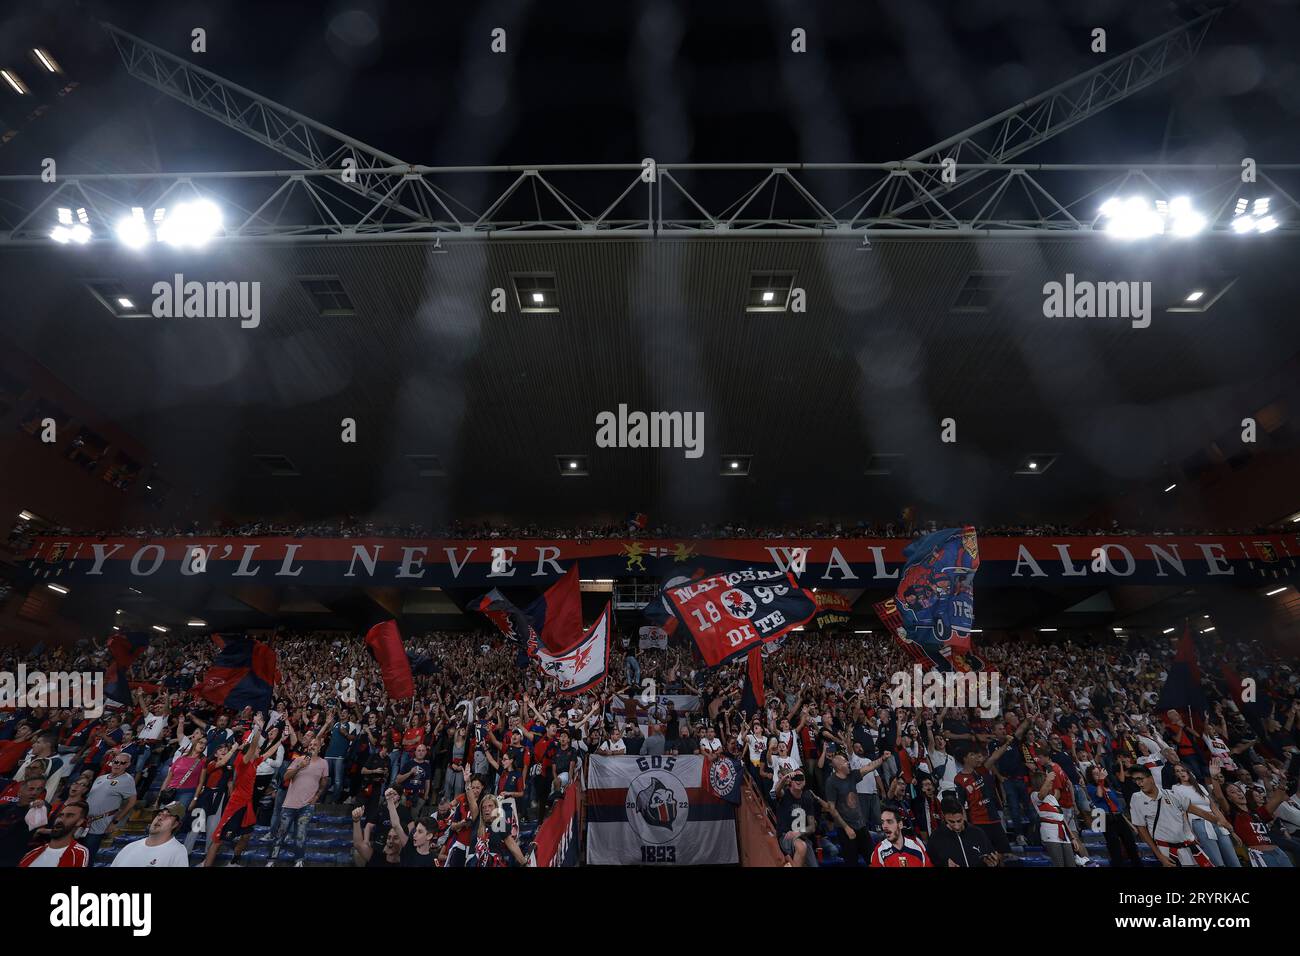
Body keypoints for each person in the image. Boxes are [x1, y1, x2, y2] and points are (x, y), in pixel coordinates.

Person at [1127, 765, 1219, 868]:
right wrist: (1159, 856)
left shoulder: (1170, 794)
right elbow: (1141, 829)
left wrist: (1219, 822)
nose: (1138, 783)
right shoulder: (1136, 798)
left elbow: (1192, 811)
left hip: (1190, 846)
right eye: (1135, 780)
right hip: (1168, 851)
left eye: (1140, 779)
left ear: (1151, 778)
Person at [203, 714, 265, 867]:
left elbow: (267, 751)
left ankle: (234, 860)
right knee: (218, 838)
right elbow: (252, 747)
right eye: (256, 748)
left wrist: (280, 738)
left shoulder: (254, 762)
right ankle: (206, 863)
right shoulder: (242, 761)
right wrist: (257, 729)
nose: (258, 749)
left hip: (246, 804)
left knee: (246, 834)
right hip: (236, 803)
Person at [266, 732, 329, 867]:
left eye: (315, 744)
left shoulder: (324, 763)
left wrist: (316, 797)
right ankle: (272, 860)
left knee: (300, 834)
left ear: (320, 747)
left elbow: (324, 783)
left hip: (306, 806)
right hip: (289, 804)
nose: (312, 746)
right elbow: (286, 777)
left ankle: (299, 860)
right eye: (310, 744)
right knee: (280, 834)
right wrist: (300, 766)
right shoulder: (299, 759)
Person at [823, 749, 886, 866]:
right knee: (851, 862)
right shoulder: (831, 782)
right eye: (846, 762)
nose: (848, 763)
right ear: (839, 767)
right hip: (845, 829)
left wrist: (882, 758)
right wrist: (846, 828)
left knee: (872, 858)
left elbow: (868, 767)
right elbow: (831, 808)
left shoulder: (852, 775)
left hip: (860, 825)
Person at [84, 751, 138, 864]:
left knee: (88, 855)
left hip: (100, 822)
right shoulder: (101, 778)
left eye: (122, 763)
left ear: (127, 765)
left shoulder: (127, 780)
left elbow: (132, 802)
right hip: (83, 821)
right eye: (116, 761)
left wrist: (115, 821)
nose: (118, 764)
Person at [1086, 765, 1143, 867]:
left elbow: (1118, 807)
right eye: (1095, 774)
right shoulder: (1090, 787)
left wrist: (1130, 824)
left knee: (1130, 844)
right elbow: (1099, 795)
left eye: (1099, 773)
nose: (1098, 775)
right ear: (1090, 777)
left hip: (1118, 816)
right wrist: (1101, 780)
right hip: (1103, 817)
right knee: (1114, 847)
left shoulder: (1108, 787)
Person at [926, 799, 1001, 868]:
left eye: (959, 821)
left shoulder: (978, 833)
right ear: (943, 816)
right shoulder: (936, 837)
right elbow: (929, 862)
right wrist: (944, 864)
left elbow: (991, 857)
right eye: (951, 822)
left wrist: (993, 863)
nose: (957, 826)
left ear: (963, 814)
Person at [111, 802, 190, 867]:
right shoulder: (130, 847)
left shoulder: (177, 852)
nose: (160, 818)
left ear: (175, 824)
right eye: (159, 814)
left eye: (168, 816)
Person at [18, 799, 91, 868]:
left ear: (79, 822)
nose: (61, 820)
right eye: (60, 815)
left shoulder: (79, 853)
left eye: (69, 816)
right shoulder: (33, 852)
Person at [773, 767, 819, 867]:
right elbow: (777, 791)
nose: (798, 781)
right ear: (791, 781)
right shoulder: (784, 794)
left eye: (801, 778)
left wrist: (798, 833)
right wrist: (785, 778)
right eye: (796, 778)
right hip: (786, 836)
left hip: (802, 836)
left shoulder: (807, 799)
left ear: (805, 782)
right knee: (801, 847)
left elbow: (812, 827)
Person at [385, 788, 437, 867]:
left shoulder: (432, 861)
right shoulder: (408, 847)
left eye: (420, 832)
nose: (414, 835)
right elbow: (396, 825)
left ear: (429, 836)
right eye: (415, 831)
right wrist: (389, 800)